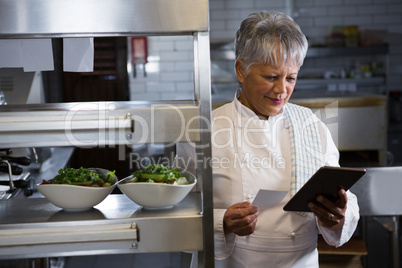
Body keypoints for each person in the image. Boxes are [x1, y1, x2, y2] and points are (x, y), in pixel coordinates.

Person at [210, 11, 360, 267]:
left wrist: (338, 215)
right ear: (241, 70)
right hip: (235, 262)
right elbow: (183, 211)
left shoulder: (312, 125)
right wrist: (221, 221)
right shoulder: (208, 130)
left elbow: (344, 195)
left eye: (291, 78)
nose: (282, 90)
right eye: (270, 77)